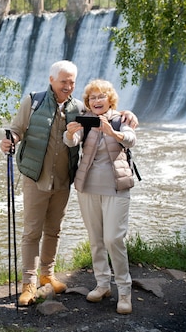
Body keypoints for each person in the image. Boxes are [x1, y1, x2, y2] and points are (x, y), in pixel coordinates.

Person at [0, 61, 138, 307]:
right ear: (51, 79)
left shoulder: (79, 108)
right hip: (37, 176)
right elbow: (17, 130)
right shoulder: (33, 101)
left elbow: (118, 125)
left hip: (65, 180)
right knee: (33, 231)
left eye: (72, 81)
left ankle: (47, 275)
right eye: (64, 81)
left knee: (55, 230)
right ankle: (29, 283)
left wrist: (127, 116)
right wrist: (10, 141)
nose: (68, 85)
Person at [63, 79, 136, 314]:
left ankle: (124, 292)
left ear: (110, 99)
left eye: (101, 96)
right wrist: (69, 133)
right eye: (92, 98)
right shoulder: (85, 120)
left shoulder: (121, 118)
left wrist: (111, 131)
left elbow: (131, 139)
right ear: (88, 102)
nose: (96, 101)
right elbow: (72, 142)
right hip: (88, 187)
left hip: (116, 187)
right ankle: (103, 284)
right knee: (95, 239)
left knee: (114, 239)